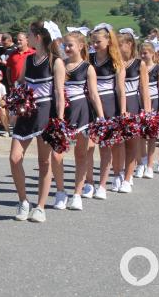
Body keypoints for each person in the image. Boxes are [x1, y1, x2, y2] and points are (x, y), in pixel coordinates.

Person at [9, 21, 55, 222]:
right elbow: (20, 84)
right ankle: (23, 201)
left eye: (29, 34)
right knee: (14, 158)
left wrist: (60, 120)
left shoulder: (55, 62)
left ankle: (41, 207)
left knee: (44, 161)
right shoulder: (28, 61)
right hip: (27, 112)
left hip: (45, 111)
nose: (27, 37)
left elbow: (60, 94)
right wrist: (13, 106)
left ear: (38, 37)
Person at [57, 31, 105, 210]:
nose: (67, 48)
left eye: (70, 45)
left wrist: (100, 117)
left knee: (81, 154)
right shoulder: (59, 64)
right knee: (57, 155)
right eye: (65, 45)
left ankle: (77, 194)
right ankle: (61, 192)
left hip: (82, 113)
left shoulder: (88, 68)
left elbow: (93, 94)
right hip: (62, 113)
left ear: (80, 46)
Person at [87, 24, 125, 198]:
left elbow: (120, 89)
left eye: (98, 42)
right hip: (90, 105)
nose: (94, 45)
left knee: (107, 146)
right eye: (93, 41)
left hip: (109, 104)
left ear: (108, 41)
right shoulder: (89, 58)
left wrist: (122, 110)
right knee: (87, 146)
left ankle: (105, 183)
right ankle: (89, 183)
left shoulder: (116, 62)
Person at [115, 28, 150, 193]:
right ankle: (119, 173)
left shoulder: (139, 64)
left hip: (133, 104)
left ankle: (128, 179)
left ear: (129, 44)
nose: (116, 48)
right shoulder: (114, 62)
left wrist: (147, 113)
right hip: (115, 104)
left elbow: (144, 89)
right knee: (117, 143)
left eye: (119, 45)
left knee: (131, 143)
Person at [136, 40, 159, 179]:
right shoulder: (138, 68)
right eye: (141, 53)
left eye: (145, 53)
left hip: (154, 103)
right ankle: (141, 162)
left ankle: (149, 165)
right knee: (140, 135)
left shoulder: (158, 69)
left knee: (152, 135)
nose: (143, 55)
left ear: (153, 54)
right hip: (140, 102)